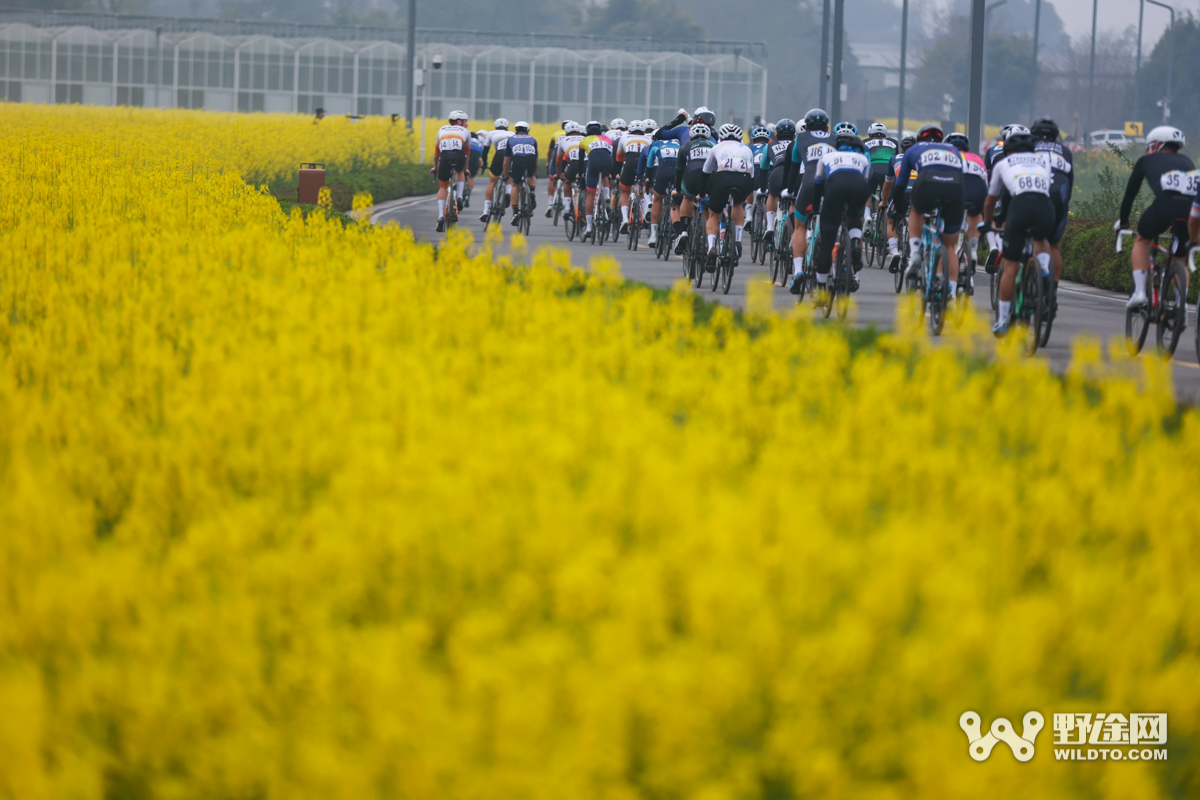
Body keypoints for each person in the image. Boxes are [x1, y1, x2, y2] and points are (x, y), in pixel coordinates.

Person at [1116, 125, 1197, 308]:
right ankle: (1180, 302)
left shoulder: (1146, 160)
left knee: (1142, 240)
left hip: (1164, 206)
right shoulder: (1187, 162)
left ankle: (1139, 293)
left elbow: (1130, 195)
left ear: (1156, 145)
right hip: (1190, 210)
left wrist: (1123, 222)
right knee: (1179, 257)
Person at [983, 131, 1054, 335]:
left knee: (1011, 267)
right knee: (1040, 238)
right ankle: (1043, 272)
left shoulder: (1003, 164)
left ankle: (1003, 321)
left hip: (1020, 206)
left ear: (1008, 151)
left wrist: (988, 223)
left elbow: (991, 199)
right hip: (1044, 206)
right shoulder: (1043, 162)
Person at [892, 123, 966, 298]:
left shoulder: (914, 149)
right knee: (949, 246)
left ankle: (915, 252)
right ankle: (952, 292)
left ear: (920, 139)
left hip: (927, 184)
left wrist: (900, 210)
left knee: (916, 211)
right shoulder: (954, 150)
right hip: (955, 189)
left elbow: (900, 185)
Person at [811, 133, 871, 292]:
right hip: (858, 189)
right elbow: (865, 183)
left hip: (834, 190)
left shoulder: (826, 157)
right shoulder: (863, 159)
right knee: (854, 214)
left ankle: (821, 287)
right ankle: (856, 242)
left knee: (827, 243)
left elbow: (818, 186)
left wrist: (816, 207)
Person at [786, 108, 834, 294]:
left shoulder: (801, 139)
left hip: (808, 183)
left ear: (805, 126)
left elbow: (794, 168)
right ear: (827, 126)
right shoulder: (835, 138)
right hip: (830, 184)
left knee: (800, 227)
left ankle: (798, 271)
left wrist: (789, 190)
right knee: (831, 225)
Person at [702, 123, 755, 266]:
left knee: (714, 215)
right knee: (738, 203)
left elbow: (706, 171)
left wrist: (705, 190)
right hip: (744, 179)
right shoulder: (747, 149)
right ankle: (738, 239)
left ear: (721, 136)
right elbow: (752, 175)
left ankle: (712, 247)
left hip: (723, 178)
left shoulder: (716, 147)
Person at [1030, 118, 1074, 293]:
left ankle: (1032, 279)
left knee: (1034, 238)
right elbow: (1070, 183)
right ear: (1056, 138)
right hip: (1059, 198)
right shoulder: (1066, 151)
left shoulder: (1029, 147)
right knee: (1053, 245)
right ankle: (1052, 291)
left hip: (1035, 195)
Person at [946, 132, 986, 275]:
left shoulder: (949, 156)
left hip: (958, 188)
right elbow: (985, 182)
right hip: (979, 190)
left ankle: (950, 245)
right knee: (975, 213)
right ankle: (973, 249)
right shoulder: (977, 158)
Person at [673, 122, 714, 256]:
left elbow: (679, 172)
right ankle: (710, 236)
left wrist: (678, 189)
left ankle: (684, 230)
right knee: (709, 201)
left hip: (691, 176)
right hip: (710, 177)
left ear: (691, 137)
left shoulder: (686, 147)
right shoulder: (715, 146)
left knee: (687, 197)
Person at [639, 124, 680, 247]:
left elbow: (650, 165)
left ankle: (653, 235)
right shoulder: (678, 143)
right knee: (677, 202)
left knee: (657, 199)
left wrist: (649, 180)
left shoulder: (654, 145)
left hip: (663, 169)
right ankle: (678, 232)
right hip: (677, 170)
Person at [880, 134, 917, 270]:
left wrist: (884, 202)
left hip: (902, 193)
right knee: (918, 219)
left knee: (891, 220)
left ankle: (895, 252)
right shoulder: (922, 157)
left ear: (902, 150)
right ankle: (915, 250)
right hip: (919, 193)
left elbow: (887, 185)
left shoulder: (894, 158)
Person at [431, 110, 470, 232]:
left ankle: (440, 216)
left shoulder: (441, 130)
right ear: (459, 121)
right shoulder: (465, 132)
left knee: (443, 186)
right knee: (459, 172)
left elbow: (436, 155)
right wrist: (465, 169)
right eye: (465, 122)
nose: (467, 124)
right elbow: (467, 154)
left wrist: (436, 168)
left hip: (444, 157)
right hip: (459, 156)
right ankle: (459, 197)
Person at [761, 118, 796, 240]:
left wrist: (763, 187)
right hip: (793, 173)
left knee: (772, 195)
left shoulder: (770, 145)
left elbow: (763, 168)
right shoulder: (797, 144)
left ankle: (770, 226)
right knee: (794, 201)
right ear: (794, 136)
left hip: (777, 172)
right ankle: (794, 233)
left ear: (776, 135)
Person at [579, 121, 614, 241]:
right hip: (608, 161)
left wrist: (580, 173)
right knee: (605, 175)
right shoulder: (607, 139)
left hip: (593, 163)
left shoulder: (584, 140)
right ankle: (607, 196)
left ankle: (589, 226)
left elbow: (580, 160)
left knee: (590, 194)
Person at [617, 120, 651, 234]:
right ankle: (646, 211)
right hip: (644, 163)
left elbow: (619, 158)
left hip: (629, 162)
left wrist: (618, 172)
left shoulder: (624, 137)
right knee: (643, 188)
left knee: (625, 191)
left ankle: (625, 218)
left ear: (629, 130)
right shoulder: (649, 138)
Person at [504, 122, 539, 226]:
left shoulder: (511, 139)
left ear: (516, 131)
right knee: (531, 176)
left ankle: (515, 213)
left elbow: (506, 162)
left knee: (515, 185)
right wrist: (534, 175)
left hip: (518, 160)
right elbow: (536, 162)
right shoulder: (533, 139)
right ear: (528, 131)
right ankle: (532, 191)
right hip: (530, 159)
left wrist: (506, 176)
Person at [479, 119, 513, 223]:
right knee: (509, 176)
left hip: (499, 154)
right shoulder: (512, 133)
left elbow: (485, 151)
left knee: (493, 181)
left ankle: (485, 210)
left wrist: (485, 164)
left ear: (495, 127)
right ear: (507, 128)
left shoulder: (491, 133)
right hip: (511, 156)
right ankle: (508, 192)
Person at [748, 125, 772, 230]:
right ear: (768, 140)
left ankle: (748, 216)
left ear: (753, 140)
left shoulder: (749, 147)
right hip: (769, 173)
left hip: (755, 172)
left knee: (749, 188)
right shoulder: (771, 147)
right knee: (771, 195)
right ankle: (770, 220)